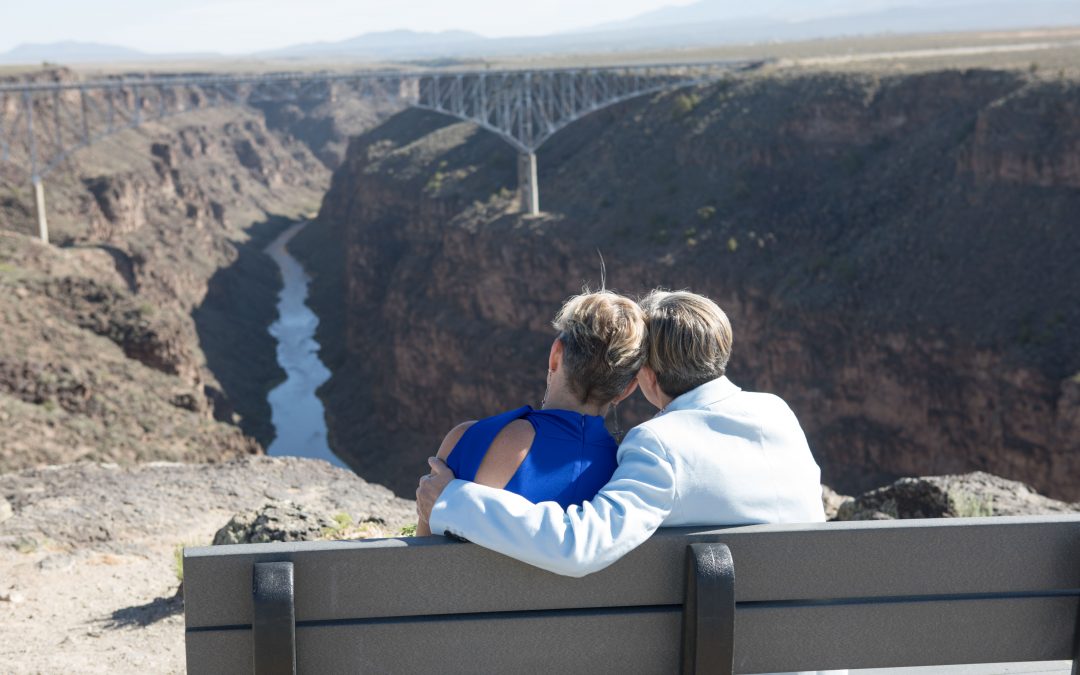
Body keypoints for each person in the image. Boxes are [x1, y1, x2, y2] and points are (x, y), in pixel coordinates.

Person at [416, 289, 827, 575]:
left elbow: (580, 546)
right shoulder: (778, 413)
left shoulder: (662, 443)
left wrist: (453, 499)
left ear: (644, 377)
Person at [415, 289, 647, 536]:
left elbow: (423, 561)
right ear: (627, 390)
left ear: (555, 356)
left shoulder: (469, 439)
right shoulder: (627, 480)